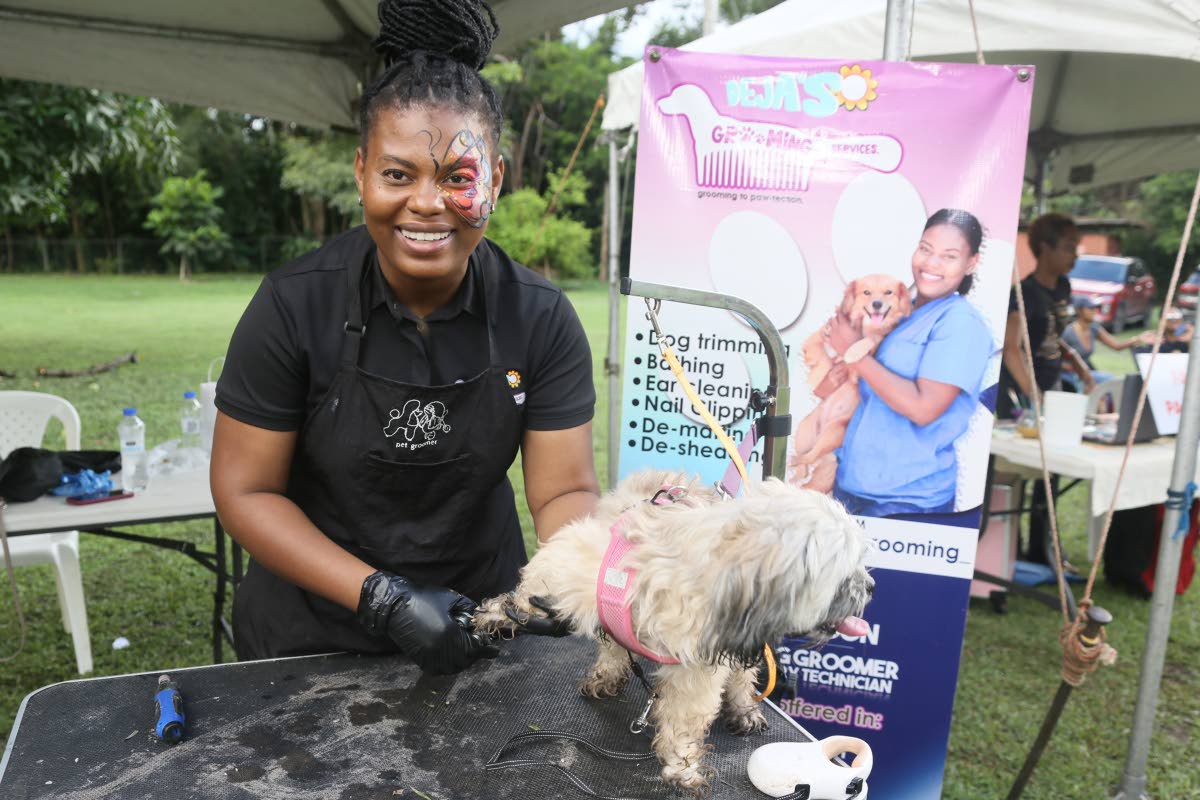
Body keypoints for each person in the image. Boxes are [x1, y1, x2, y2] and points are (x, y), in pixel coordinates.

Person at [210, 0, 600, 671]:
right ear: (362, 172)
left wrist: (588, 576)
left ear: (495, 180)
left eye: (459, 178)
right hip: (309, 633)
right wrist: (381, 599)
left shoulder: (539, 317)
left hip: (477, 624)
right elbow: (244, 491)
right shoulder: (291, 305)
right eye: (399, 174)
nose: (426, 203)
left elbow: (563, 492)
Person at [822, 209, 994, 526]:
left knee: (880, 579)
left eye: (949, 256)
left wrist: (854, 352)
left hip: (907, 500)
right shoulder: (903, 313)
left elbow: (923, 408)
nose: (931, 263)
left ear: (971, 263)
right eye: (925, 249)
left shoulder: (961, 323)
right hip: (855, 485)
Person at [996, 212, 1093, 420]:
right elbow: (1011, 347)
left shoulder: (1063, 287)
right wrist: (1034, 396)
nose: (1075, 255)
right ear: (1044, 248)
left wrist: (1077, 362)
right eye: (1069, 248)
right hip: (1020, 390)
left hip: (1051, 381)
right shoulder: (1025, 294)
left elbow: (1051, 336)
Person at [1060, 295, 1152, 391]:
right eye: (1090, 308)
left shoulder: (1094, 328)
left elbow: (1116, 345)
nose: (1095, 311)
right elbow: (1057, 358)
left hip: (1085, 373)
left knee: (1111, 381)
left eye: (1095, 308)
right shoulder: (1068, 332)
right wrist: (1075, 368)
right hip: (1069, 374)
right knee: (1108, 380)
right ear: (1079, 311)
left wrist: (1138, 339)